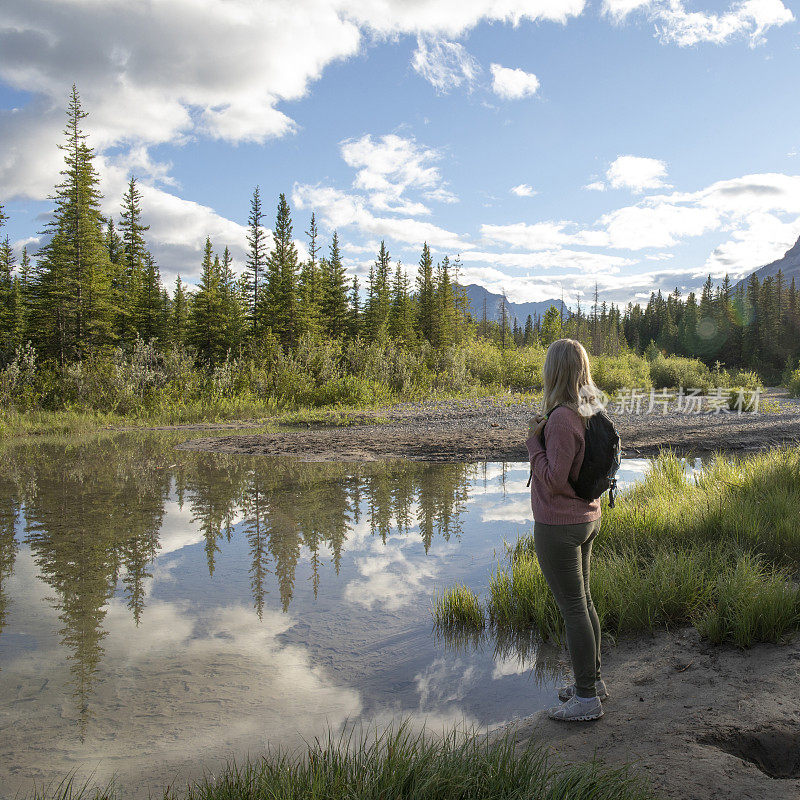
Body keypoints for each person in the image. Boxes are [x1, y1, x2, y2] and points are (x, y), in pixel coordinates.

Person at [526, 338, 607, 722]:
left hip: (560, 524)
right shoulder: (591, 410)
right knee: (585, 602)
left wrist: (532, 444)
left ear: (553, 371)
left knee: (574, 608)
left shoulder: (561, 418)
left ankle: (587, 699)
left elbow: (555, 479)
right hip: (589, 517)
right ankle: (592, 683)